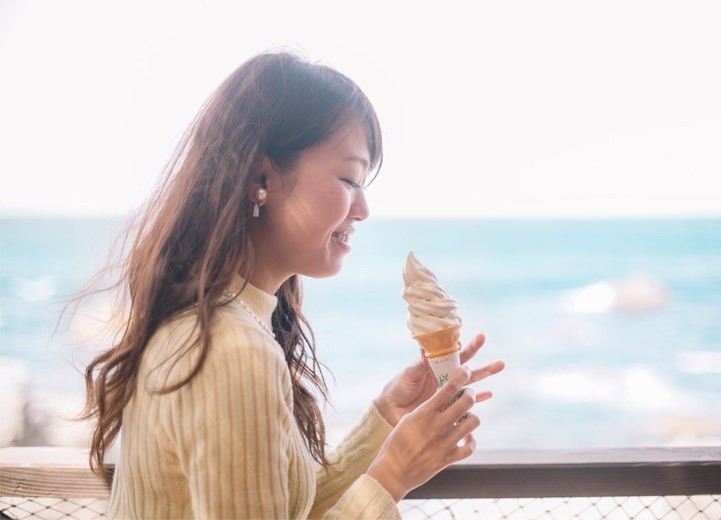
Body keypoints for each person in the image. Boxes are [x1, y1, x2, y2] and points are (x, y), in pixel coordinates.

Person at [79, 50, 504, 519]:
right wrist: (393, 474)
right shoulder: (233, 350)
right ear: (261, 177)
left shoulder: (217, 322)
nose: (363, 209)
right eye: (350, 179)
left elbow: (281, 507)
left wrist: (388, 419)